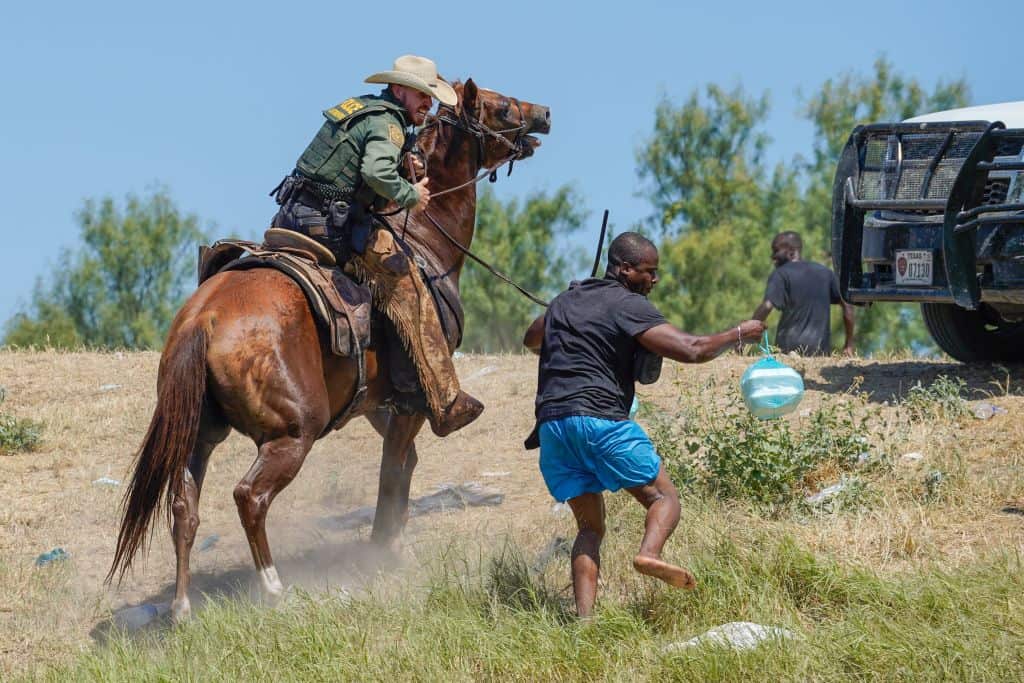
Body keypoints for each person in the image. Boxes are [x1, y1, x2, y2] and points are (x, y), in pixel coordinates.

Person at [522, 232, 765, 618]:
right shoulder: (628, 304)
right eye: (649, 272)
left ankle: (585, 624)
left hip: (553, 428)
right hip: (600, 420)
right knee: (662, 498)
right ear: (624, 268)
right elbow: (692, 348)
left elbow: (531, 337)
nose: (654, 280)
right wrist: (738, 334)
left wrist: (566, 306)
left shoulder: (567, 300)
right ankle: (649, 554)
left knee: (589, 529)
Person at [269, 55, 482, 437]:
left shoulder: (364, 110)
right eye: (422, 95)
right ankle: (445, 400)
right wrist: (410, 193)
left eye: (430, 98)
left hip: (292, 217)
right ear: (399, 89)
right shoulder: (389, 124)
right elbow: (375, 172)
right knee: (409, 283)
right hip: (332, 227)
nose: (428, 104)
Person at [752, 231, 855, 356]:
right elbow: (847, 304)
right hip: (819, 352)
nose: (772, 256)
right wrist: (849, 344)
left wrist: (746, 333)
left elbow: (767, 306)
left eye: (776, 250)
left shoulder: (781, 274)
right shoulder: (825, 273)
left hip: (787, 350)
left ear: (791, 251)